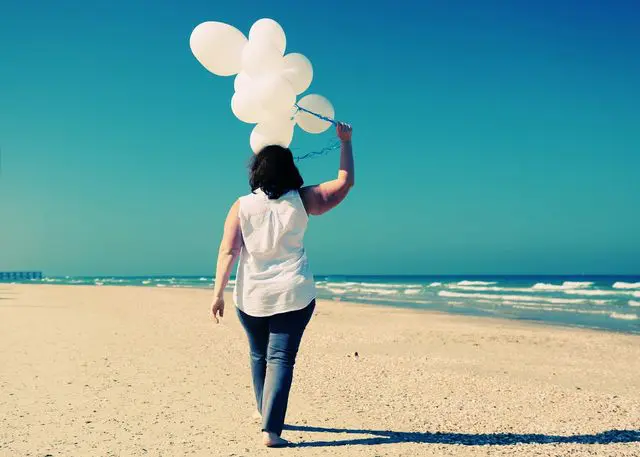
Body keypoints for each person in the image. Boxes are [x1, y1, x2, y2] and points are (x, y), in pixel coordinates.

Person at [210, 122, 354, 447]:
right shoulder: (304, 200)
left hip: (251, 297)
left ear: (257, 170)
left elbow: (228, 250)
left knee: (260, 355)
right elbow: (345, 183)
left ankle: (267, 418)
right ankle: (270, 430)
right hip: (294, 293)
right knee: (280, 358)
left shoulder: (241, 206)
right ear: (291, 169)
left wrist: (217, 293)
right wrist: (345, 142)